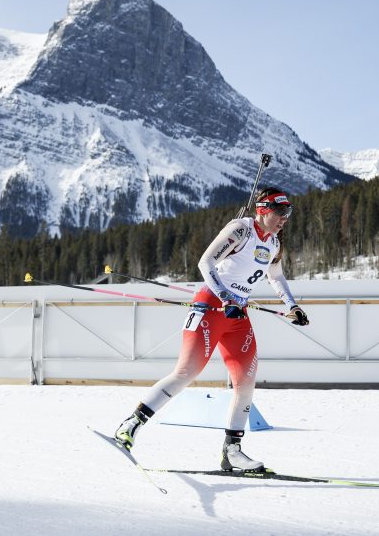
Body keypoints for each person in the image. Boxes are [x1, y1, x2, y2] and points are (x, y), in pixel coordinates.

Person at [113, 186, 309, 471]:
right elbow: (205, 262)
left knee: (246, 382)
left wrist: (293, 306)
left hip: (237, 313)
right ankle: (130, 425)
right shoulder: (241, 230)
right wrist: (226, 297)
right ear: (263, 210)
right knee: (186, 372)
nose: (284, 218)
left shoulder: (275, 243)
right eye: (280, 212)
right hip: (211, 306)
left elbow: (276, 277)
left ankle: (232, 451)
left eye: (288, 212)